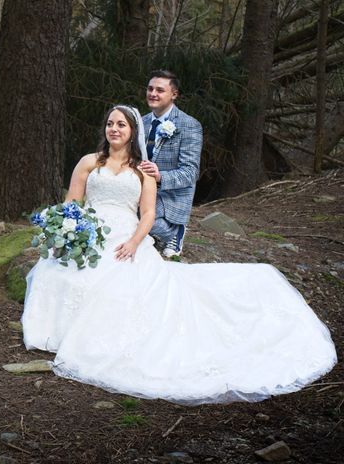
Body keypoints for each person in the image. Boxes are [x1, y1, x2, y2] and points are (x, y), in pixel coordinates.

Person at [21, 105, 336, 405]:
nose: (114, 129)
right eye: (110, 124)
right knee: (63, 274)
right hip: (88, 233)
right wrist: (68, 231)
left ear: (133, 132)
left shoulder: (143, 171)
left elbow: (146, 214)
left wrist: (133, 243)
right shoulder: (89, 162)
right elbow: (71, 204)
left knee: (123, 287)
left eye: (121, 124)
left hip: (126, 235)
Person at [138, 70, 202, 258]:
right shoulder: (140, 122)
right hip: (140, 188)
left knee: (141, 217)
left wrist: (160, 177)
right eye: (150, 89)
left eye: (160, 90)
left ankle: (174, 232)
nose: (153, 94)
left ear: (174, 94)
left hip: (169, 195)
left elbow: (191, 172)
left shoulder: (189, 125)